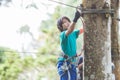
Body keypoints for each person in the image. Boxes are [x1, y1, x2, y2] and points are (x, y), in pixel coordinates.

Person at [56, 9, 84, 80]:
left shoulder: (74, 33)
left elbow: (84, 29)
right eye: (64, 22)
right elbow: (70, 29)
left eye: (68, 21)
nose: (68, 23)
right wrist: (75, 19)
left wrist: (83, 17)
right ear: (61, 27)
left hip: (72, 63)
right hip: (64, 63)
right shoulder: (63, 35)